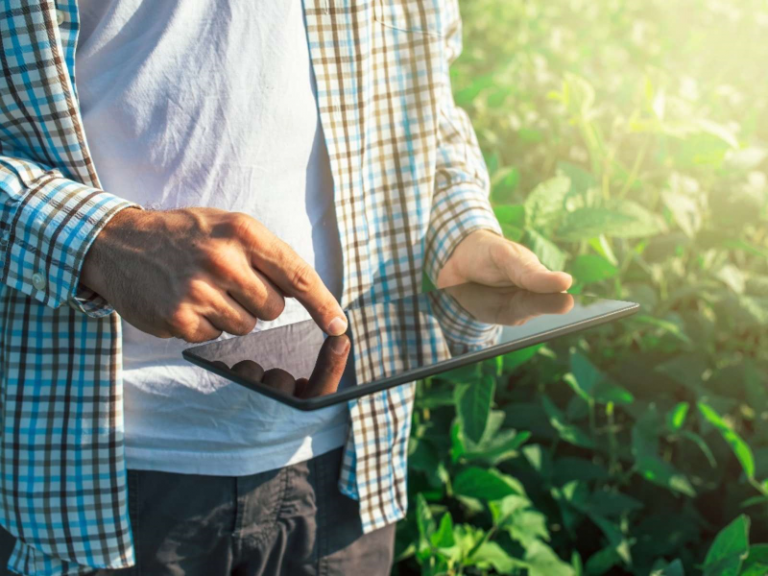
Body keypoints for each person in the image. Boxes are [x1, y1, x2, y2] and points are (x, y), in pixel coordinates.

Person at [0, 0, 572, 574]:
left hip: (349, 468)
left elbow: (423, 94)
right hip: (95, 476)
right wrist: (100, 243)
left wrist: (458, 227)